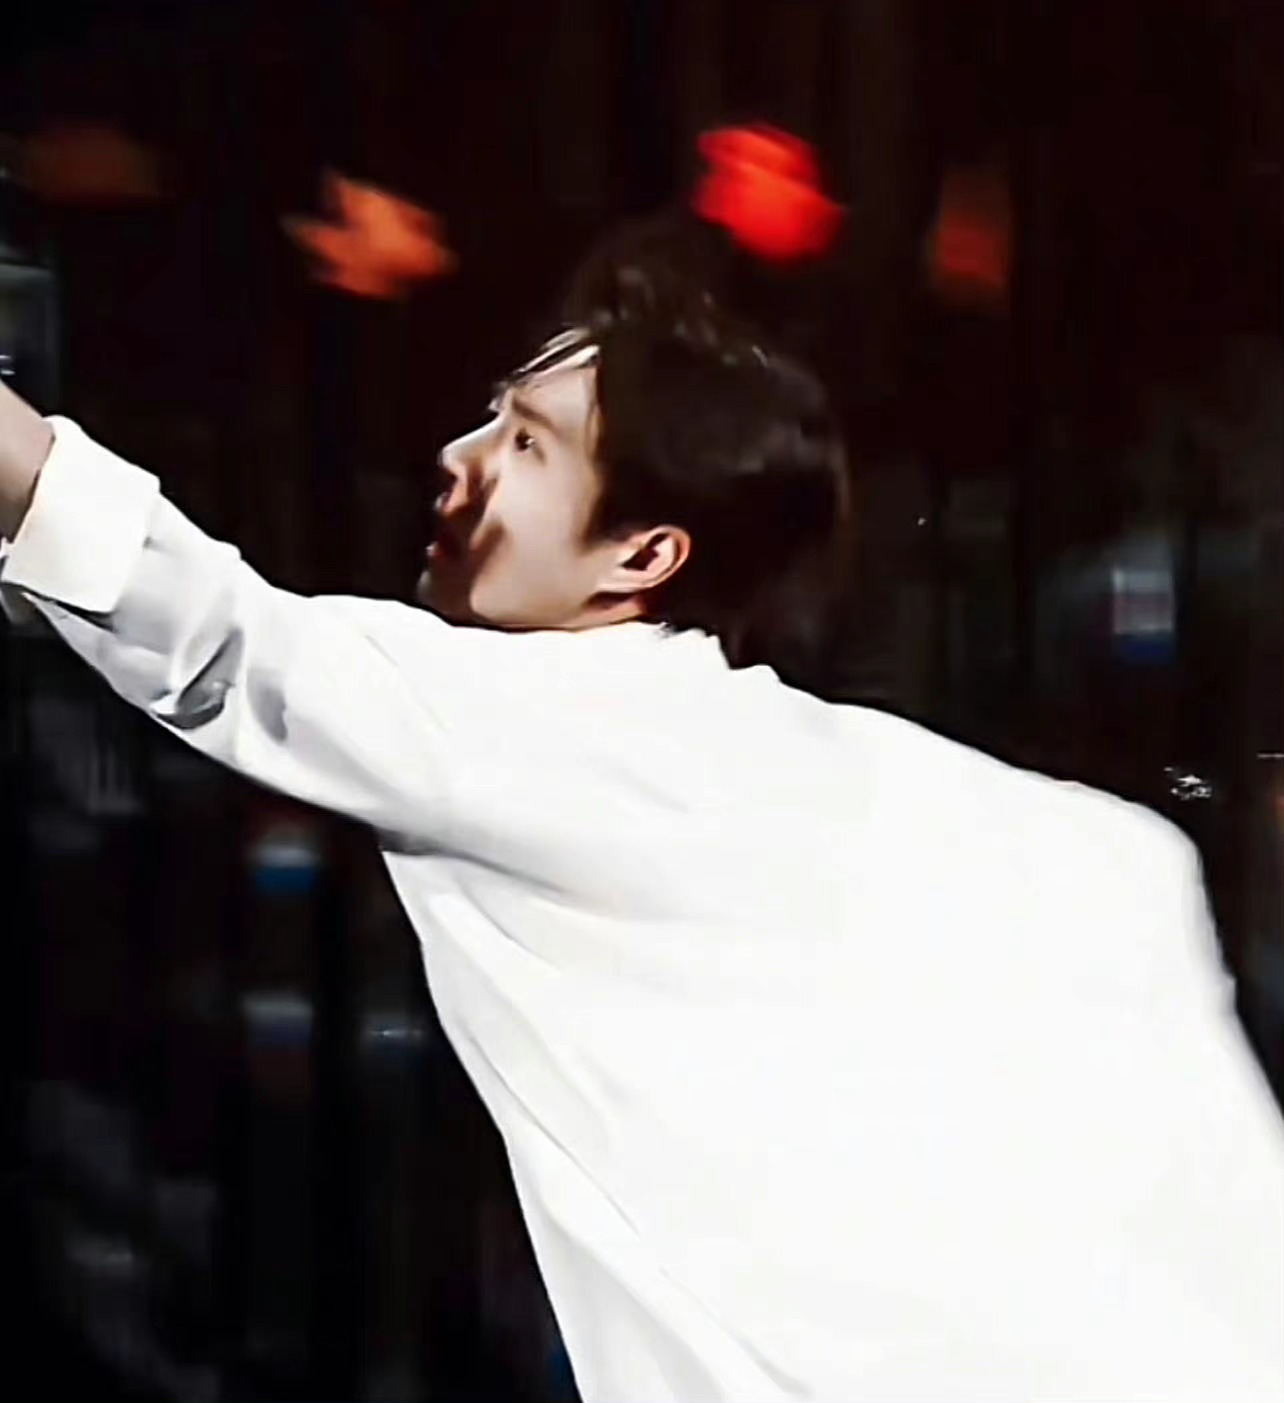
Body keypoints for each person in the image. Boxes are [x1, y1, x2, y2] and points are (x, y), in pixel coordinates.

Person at [0, 231, 1280, 1403]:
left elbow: (201, 620)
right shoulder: (1071, 843)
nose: (459, 456)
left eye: (525, 443)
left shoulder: (541, 724)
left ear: (644, 555)